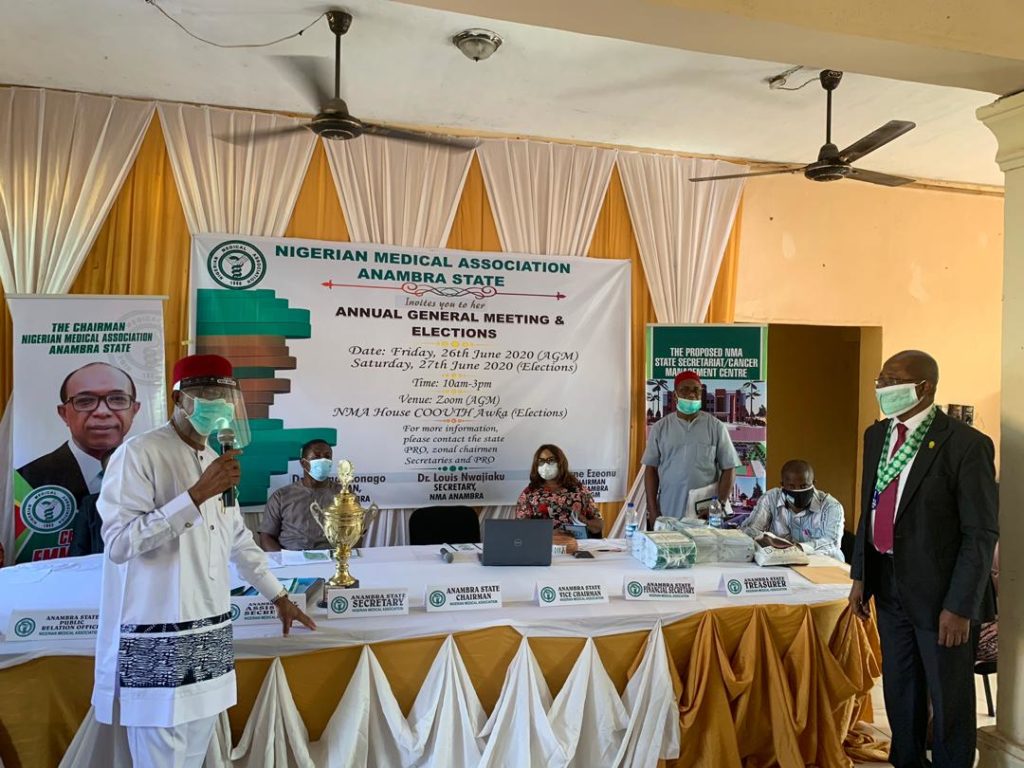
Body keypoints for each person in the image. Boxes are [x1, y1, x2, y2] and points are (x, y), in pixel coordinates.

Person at [93, 354, 316, 767]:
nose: (215, 404)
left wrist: (279, 596)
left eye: (222, 396)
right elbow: (120, 543)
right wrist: (195, 496)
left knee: (193, 756)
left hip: (208, 639)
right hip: (159, 639)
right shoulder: (140, 453)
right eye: (205, 394)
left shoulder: (216, 460)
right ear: (179, 399)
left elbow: (238, 540)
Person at [849, 350, 997, 768]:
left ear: (924, 387)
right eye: (880, 380)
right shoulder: (877, 436)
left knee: (948, 697)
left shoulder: (965, 444)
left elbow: (980, 532)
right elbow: (869, 506)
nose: (882, 387)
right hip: (888, 581)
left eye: (891, 380)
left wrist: (960, 606)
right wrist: (860, 576)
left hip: (942, 595)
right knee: (901, 689)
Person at [16, 362, 141, 522]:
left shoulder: (152, 471)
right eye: (85, 401)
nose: (102, 412)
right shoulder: (26, 481)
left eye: (117, 399)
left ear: (134, 410)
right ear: (64, 414)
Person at [642, 371, 739, 526]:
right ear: (675, 395)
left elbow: (729, 468)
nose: (691, 394)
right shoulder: (660, 428)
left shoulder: (716, 427)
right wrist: (653, 510)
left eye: (696, 390)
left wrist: (719, 505)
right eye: (685, 390)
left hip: (704, 516)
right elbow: (651, 469)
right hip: (669, 513)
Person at [740, 459, 846, 562]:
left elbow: (832, 543)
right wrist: (764, 538)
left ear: (813, 483)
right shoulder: (771, 499)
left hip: (823, 565)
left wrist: (797, 548)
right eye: (791, 486)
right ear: (782, 485)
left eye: (804, 486)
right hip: (781, 563)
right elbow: (748, 530)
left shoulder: (830, 506)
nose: (798, 490)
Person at [259, 439, 336, 551]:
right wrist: (282, 559)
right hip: (291, 556)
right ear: (303, 463)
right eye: (316, 457)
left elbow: (355, 535)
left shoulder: (344, 496)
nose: (323, 460)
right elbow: (266, 536)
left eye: (327, 457)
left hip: (333, 558)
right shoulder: (281, 496)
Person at [515, 445, 602, 537]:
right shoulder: (530, 493)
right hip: (545, 543)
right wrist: (550, 534)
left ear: (561, 462)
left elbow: (599, 525)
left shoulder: (579, 490)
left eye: (551, 460)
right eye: (541, 461)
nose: (546, 465)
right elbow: (521, 528)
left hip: (577, 543)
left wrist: (586, 522)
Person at [68, 449, 115, 557]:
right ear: (105, 474)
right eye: (116, 469)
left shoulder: (151, 501)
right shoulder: (90, 505)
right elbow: (77, 551)